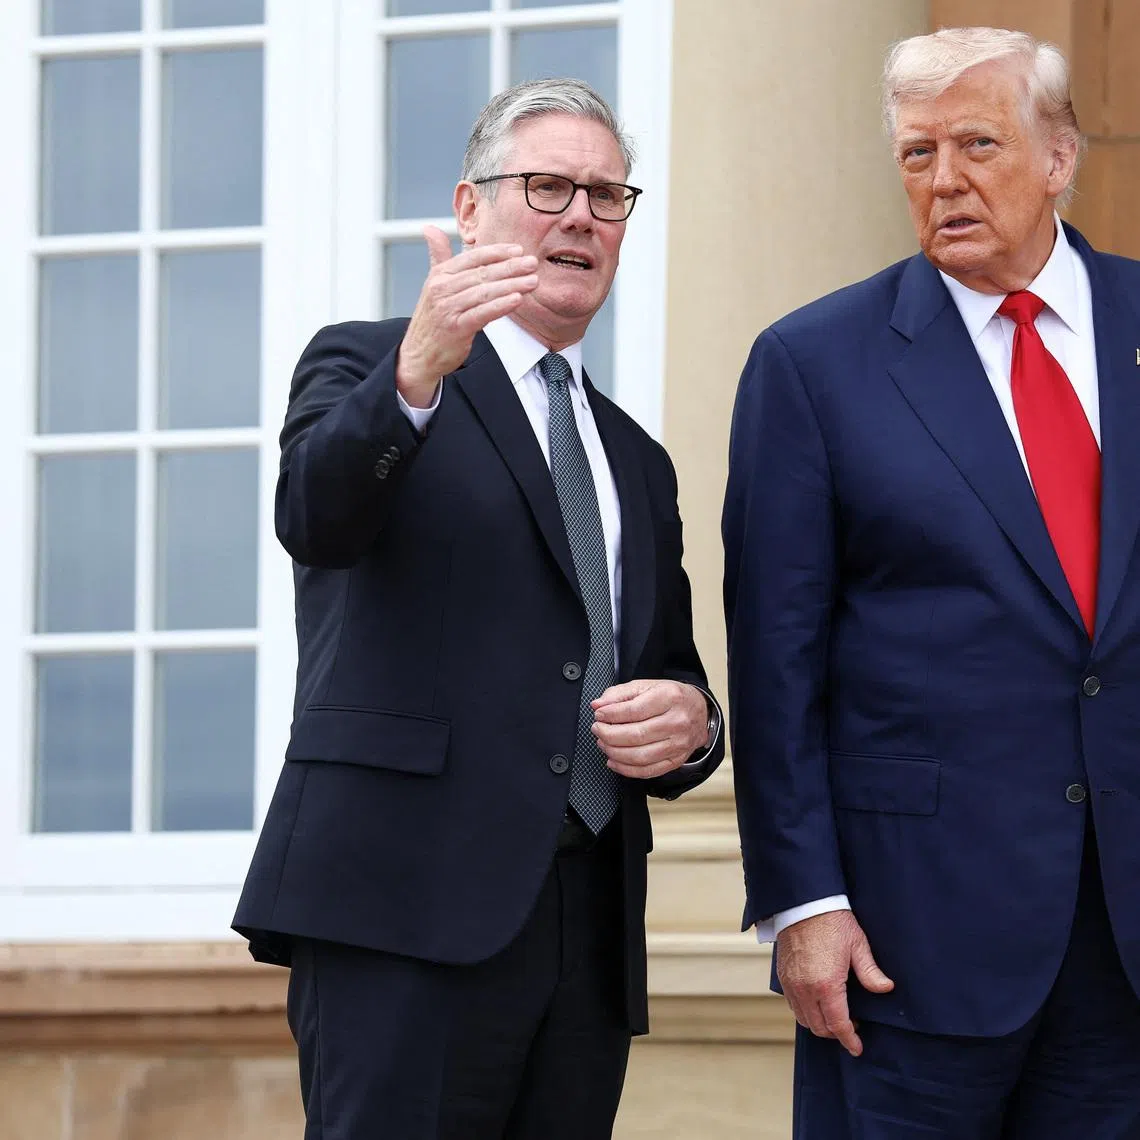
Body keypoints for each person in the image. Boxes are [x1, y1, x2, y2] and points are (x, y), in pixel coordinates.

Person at [233, 77, 723, 1140]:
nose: (582, 216)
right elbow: (314, 520)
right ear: (470, 208)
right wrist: (418, 370)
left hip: (584, 931)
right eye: (548, 187)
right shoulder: (372, 364)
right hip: (402, 907)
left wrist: (694, 726)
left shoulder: (634, 459)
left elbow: (668, 667)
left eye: (607, 195)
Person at [723, 26, 1140, 1139]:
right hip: (906, 945)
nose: (943, 179)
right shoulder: (813, 366)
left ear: (1059, 157)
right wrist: (803, 903)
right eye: (916, 154)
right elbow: (775, 661)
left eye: (976, 144)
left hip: (1130, 944)